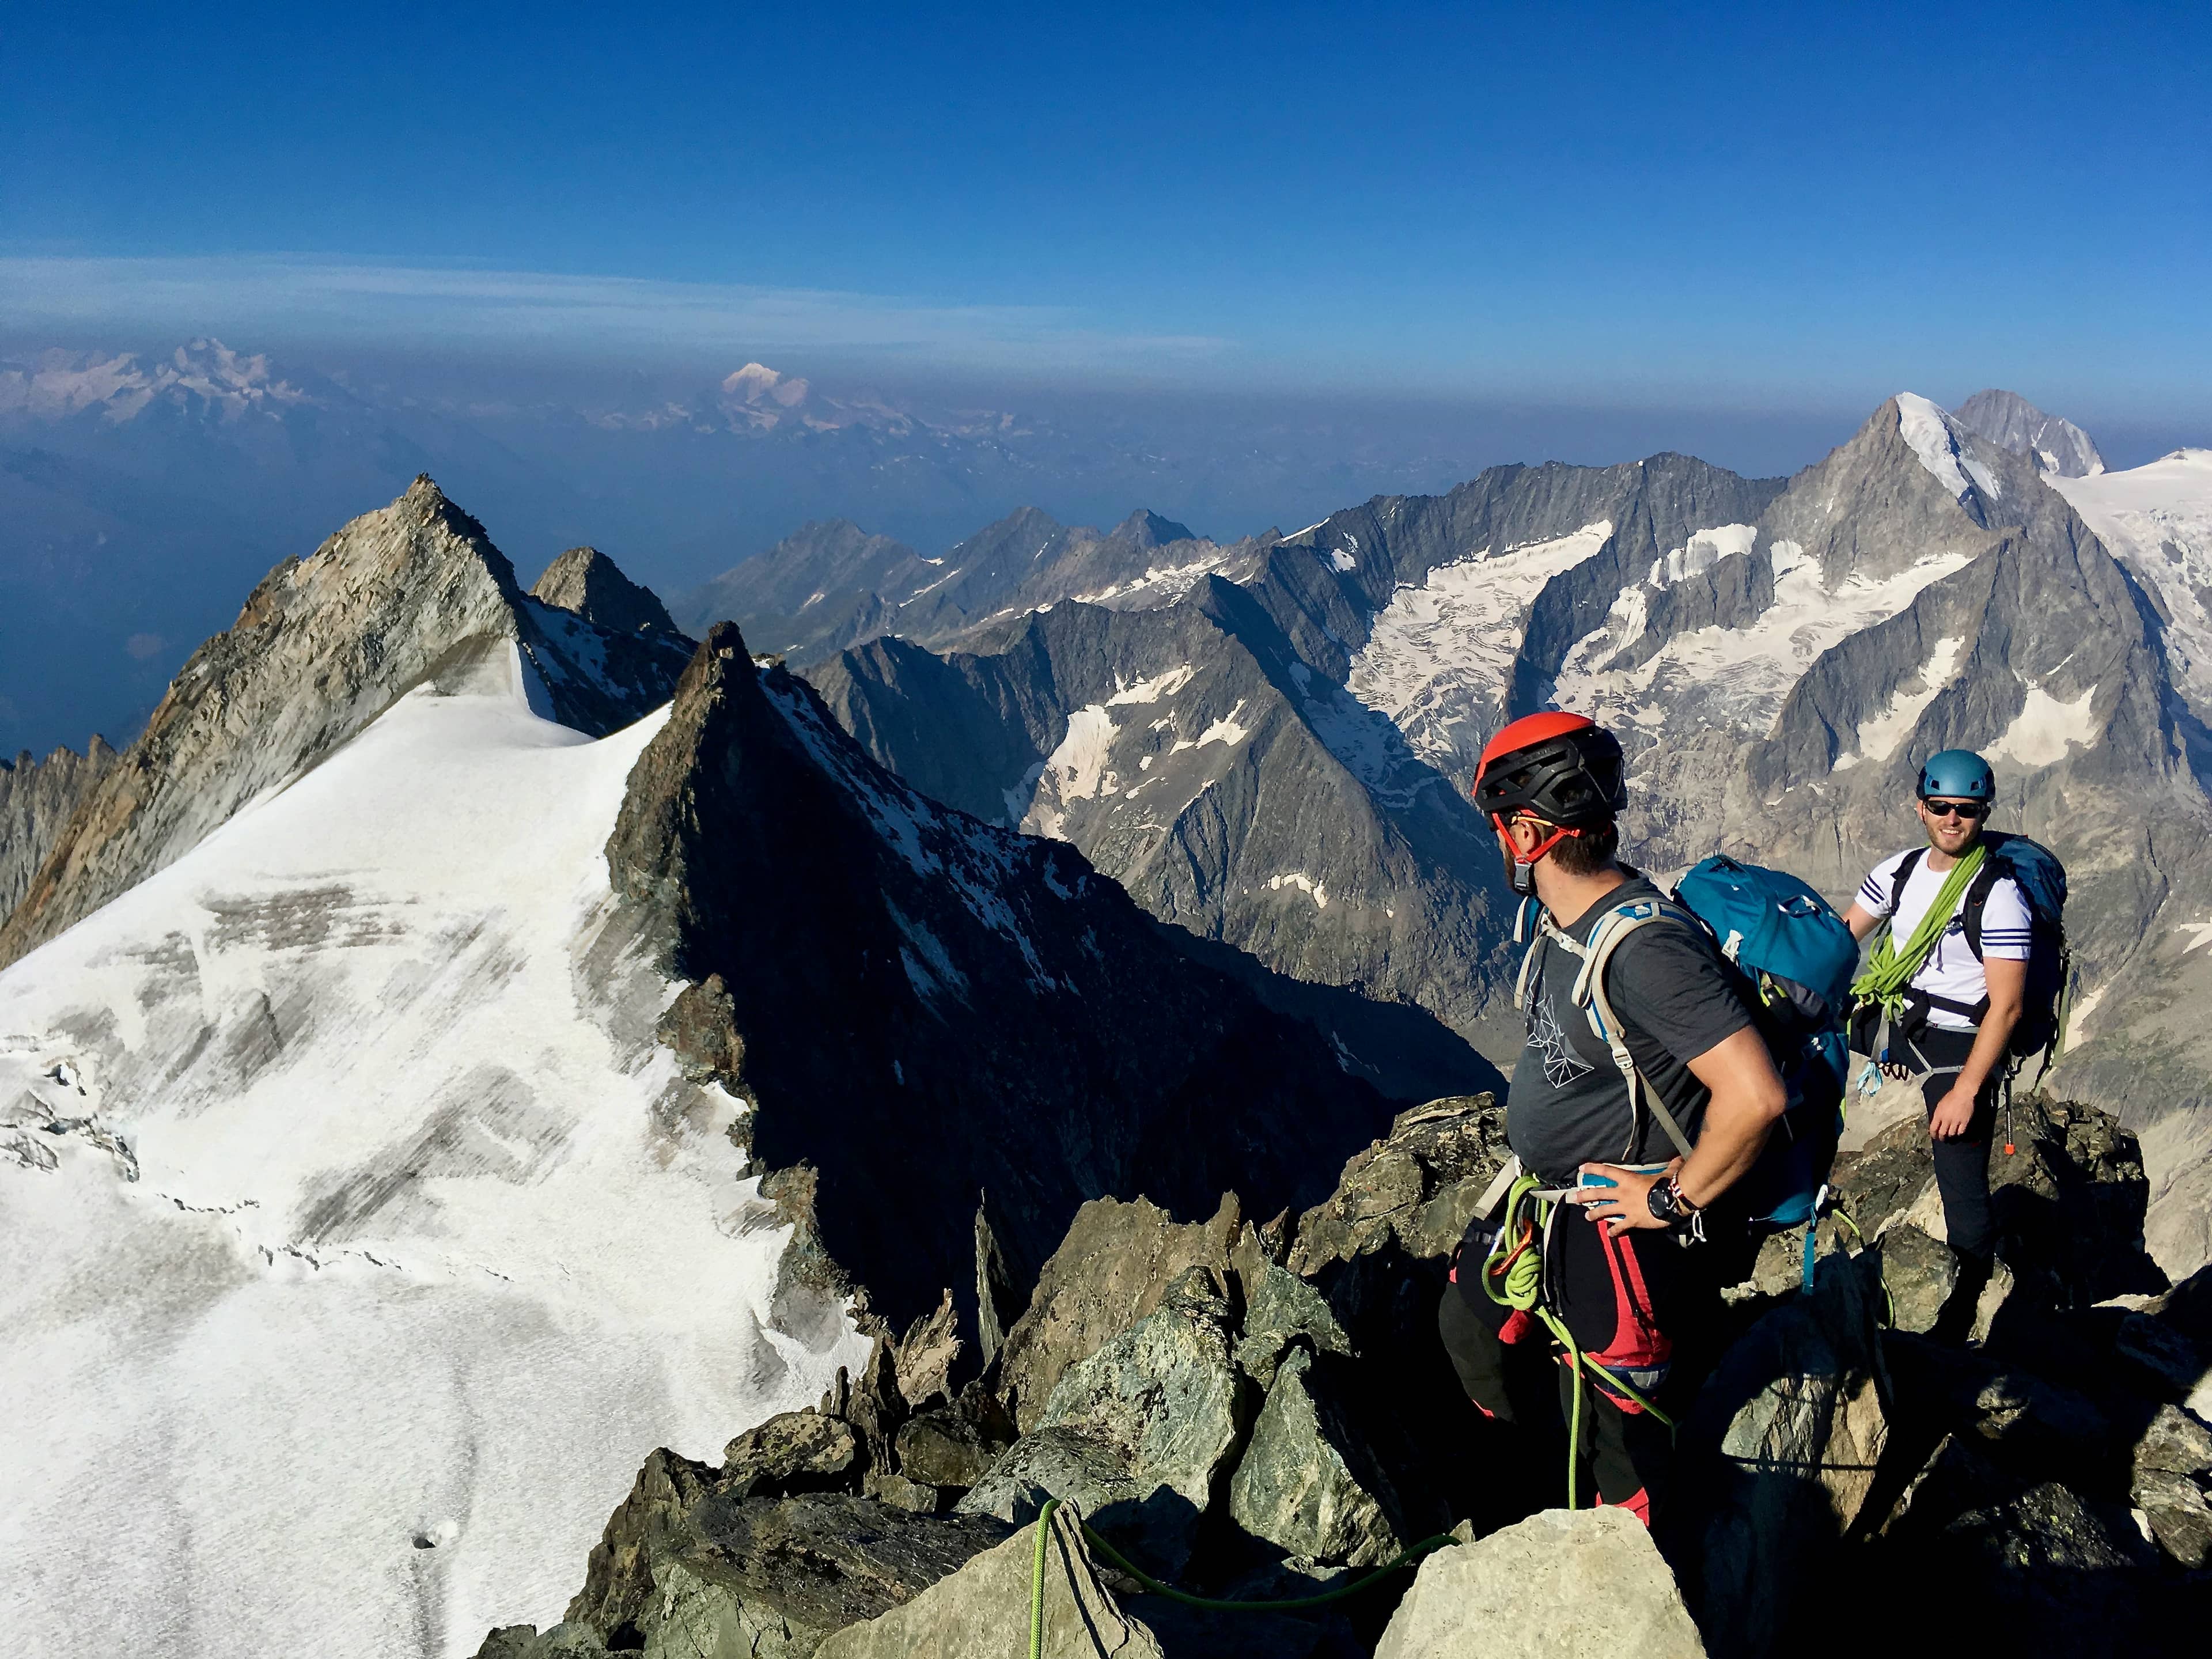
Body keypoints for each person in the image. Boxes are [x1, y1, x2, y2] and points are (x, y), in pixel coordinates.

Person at [1437, 711, 1788, 1524]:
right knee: (1469, 1325)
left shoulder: (1645, 951)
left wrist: (1668, 1199)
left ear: (1525, 833)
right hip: (1544, 1206)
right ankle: (1530, 1501)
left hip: (1618, 1238)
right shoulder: (1568, 921)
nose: (1495, 841)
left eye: (1498, 825)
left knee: (1618, 1442)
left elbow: (1757, 1096)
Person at [1841, 749, 2028, 1277]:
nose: (1952, 818)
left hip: (1960, 1043)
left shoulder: (1999, 894)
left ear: (1984, 813)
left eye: (1966, 809)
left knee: (1962, 1193)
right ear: (1920, 808)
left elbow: (2008, 1006)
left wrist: (1966, 1090)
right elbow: (1840, 942)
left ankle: (1972, 1297)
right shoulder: (1897, 872)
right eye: (1941, 805)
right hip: (1903, 1020)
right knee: (1795, 1025)